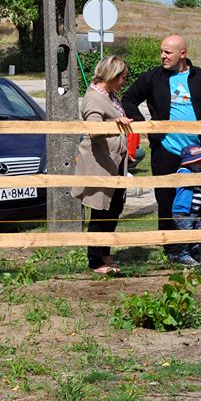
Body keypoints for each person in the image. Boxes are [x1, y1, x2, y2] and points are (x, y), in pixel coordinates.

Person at [121, 34, 201, 264]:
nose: (162, 56)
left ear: (183, 54)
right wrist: (146, 126)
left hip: (199, 150)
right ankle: (174, 248)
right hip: (166, 149)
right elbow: (128, 98)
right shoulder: (153, 78)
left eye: (167, 52)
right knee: (167, 198)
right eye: (161, 51)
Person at [71, 55, 134, 275]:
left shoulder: (109, 96)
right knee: (100, 211)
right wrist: (115, 123)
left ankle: (104, 252)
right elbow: (94, 129)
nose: (124, 82)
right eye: (122, 78)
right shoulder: (93, 99)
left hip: (112, 163)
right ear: (112, 76)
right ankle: (96, 260)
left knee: (113, 209)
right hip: (99, 166)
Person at [171, 144, 201, 266]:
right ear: (187, 162)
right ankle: (183, 255)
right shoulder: (183, 172)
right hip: (183, 212)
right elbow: (192, 179)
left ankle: (194, 254)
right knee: (186, 234)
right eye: (196, 162)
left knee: (196, 233)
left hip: (195, 211)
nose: (200, 164)